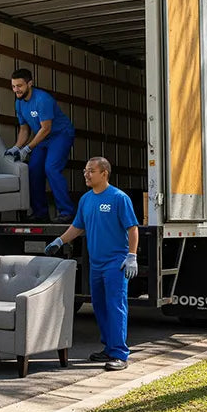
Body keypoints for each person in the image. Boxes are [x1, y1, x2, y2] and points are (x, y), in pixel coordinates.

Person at [45, 156, 139, 371]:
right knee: (99, 306)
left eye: (91, 171)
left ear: (104, 173)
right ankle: (109, 348)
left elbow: (132, 228)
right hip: (96, 263)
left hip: (116, 263)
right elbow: (78, 226)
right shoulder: (86, 199)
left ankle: (119, 354)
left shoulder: (119, 198)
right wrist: (59, 241)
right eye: (85, 171)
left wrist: (131, 256)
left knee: (115, 306)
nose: (86, 175)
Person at [5, 67, 77, 223]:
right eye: (13, 86)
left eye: (19, 86)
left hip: (60, 135)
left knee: (51, 168)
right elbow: (24, 129)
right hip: (42, 138)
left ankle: (67, 212)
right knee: (33, 170)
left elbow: (46, 128)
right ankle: (40, 213)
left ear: (30, 84)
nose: (16, 90)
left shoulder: (42, 99)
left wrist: (27, 148)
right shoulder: (19, 103)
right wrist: (16, 147)